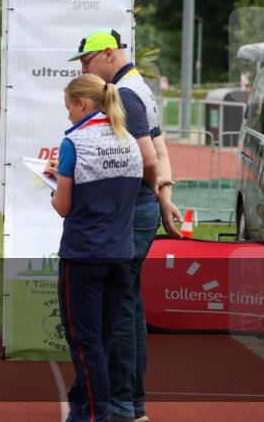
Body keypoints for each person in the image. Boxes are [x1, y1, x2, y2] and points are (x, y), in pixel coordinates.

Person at [65, 28, 179, 422]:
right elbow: (160, 152)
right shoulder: (138, 87)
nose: (85, 68)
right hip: (141, 210)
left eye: (87, 60)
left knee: (116, 314)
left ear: (109, 54)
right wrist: (163, 201)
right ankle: (132, 403)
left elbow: (148, 157)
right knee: (129, 306)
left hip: (128, 214)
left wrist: (134, 192)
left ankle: (121, 405)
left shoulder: (126, 94)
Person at [46, 73, 143, 422]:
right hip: (120, 253)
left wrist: (52, 182)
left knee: (85, 345)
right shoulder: (128, 139)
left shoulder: (74, 142)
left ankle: (95, 416)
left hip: (84, 256)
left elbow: (63, 206)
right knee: (99, 342)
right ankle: (82, 406)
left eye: (69, 107)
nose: (69, 115)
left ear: (83, 104)